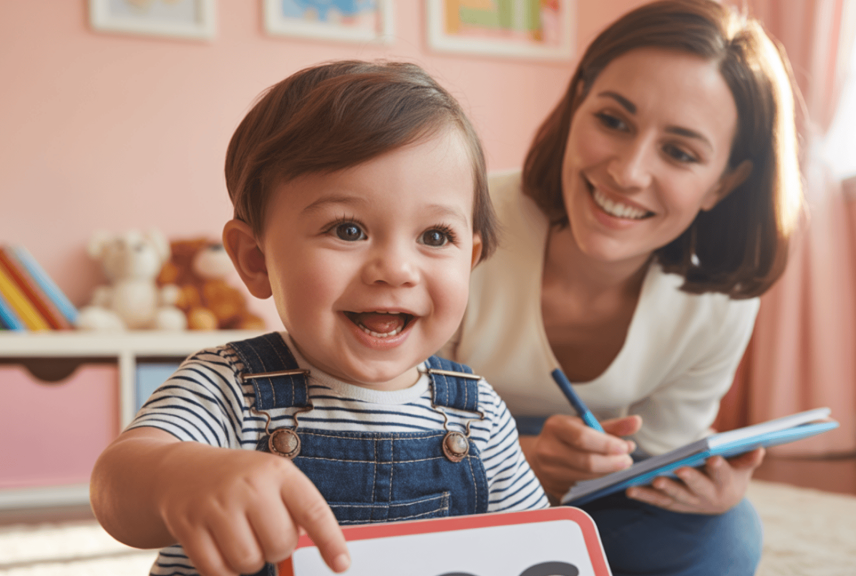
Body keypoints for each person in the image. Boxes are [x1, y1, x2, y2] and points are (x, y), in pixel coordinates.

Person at [90, 60, 548, 576]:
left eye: (435, 236)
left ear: (471, 260)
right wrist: (180, 475)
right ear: (255, 259)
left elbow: (531, 547)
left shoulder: (478, 414)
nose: (396, 269)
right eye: (348, 230)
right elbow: (114, 486)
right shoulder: (229, 388)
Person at [442, 1, 802, 574]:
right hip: (432, 464)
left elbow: (656, 451)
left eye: (680, 152)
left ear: (725, 183)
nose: (628, 173)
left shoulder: (720, 302)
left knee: (727, 531)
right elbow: (379, 417)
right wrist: (521, 459)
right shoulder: (459, 220)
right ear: (578, 102)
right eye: (613, 121)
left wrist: (702, 487)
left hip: (592, 481)